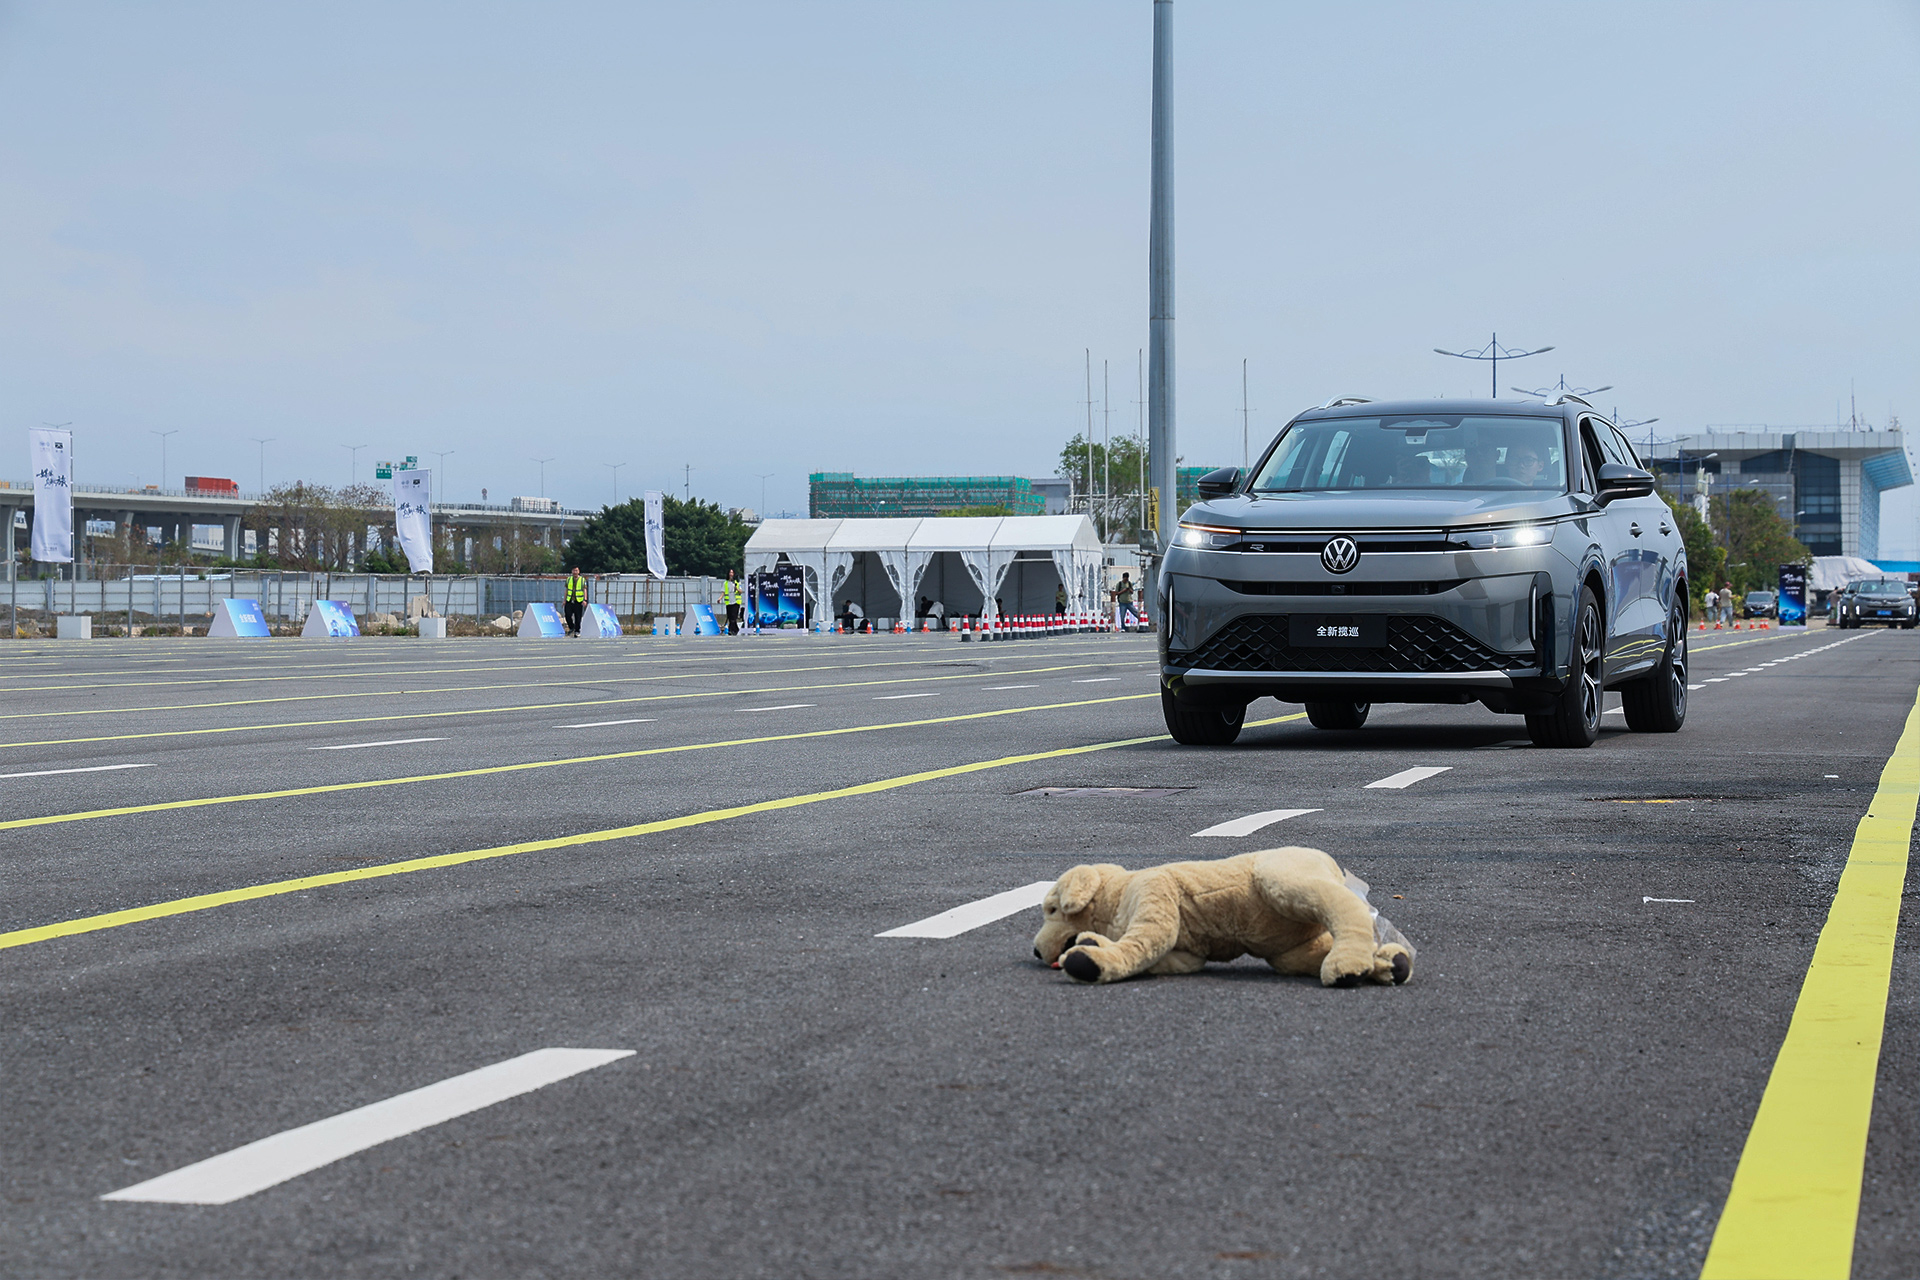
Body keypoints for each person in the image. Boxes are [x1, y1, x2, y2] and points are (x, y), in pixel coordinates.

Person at [563, 566, 587, 636]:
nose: (575, 572)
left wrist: (585, 600)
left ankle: (577, 631)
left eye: (576, 570)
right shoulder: (569, 579)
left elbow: (584, 590)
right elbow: (566, 590)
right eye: (573, 570)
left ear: (579, 571)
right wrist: (564, 600)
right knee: (567, 615)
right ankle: (572, 627)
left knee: (578, 617)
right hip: (569, 600)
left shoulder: (582, 580)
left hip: (578, 601)